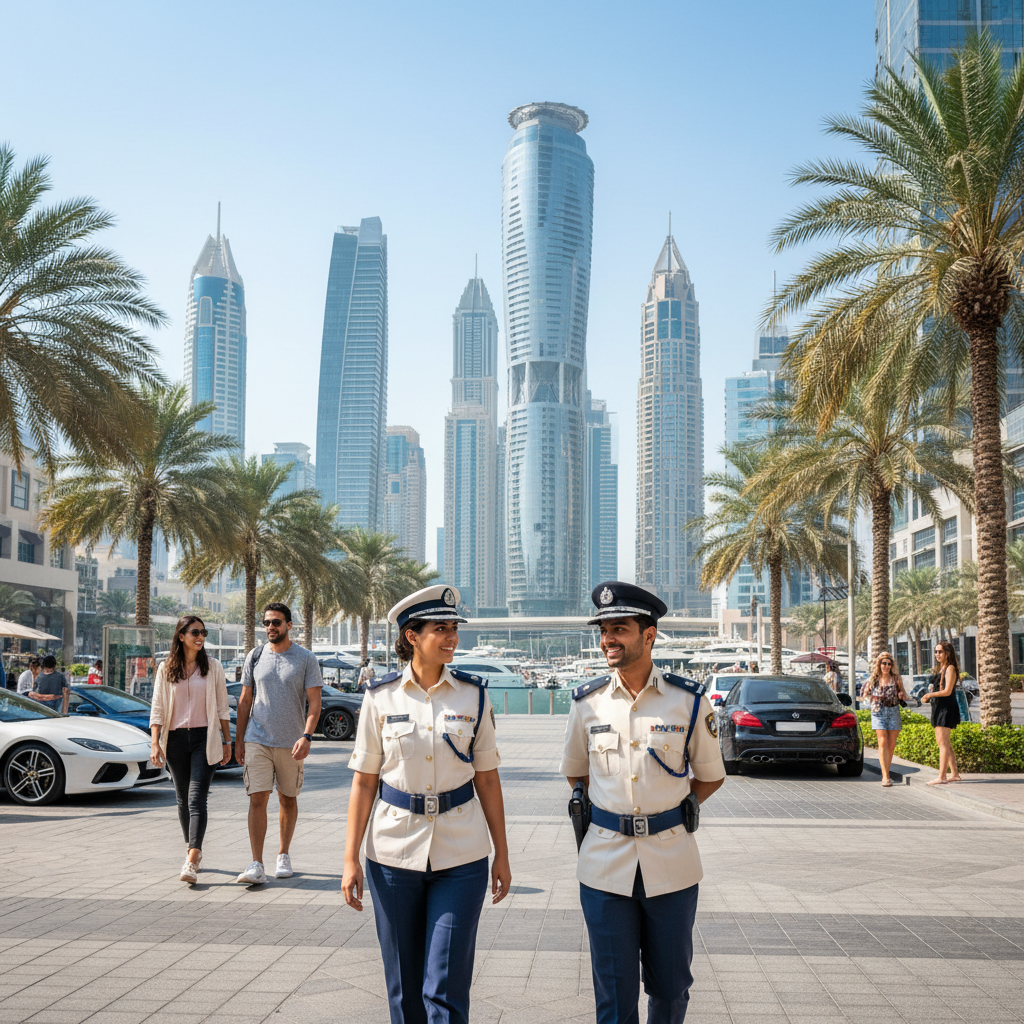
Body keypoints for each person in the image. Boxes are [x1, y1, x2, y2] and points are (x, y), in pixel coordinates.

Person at [342, 584, 511, 1024]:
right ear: (412, 636)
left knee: (447, 985)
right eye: (442, 629)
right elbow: (363, 782)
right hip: (393, 853)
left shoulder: (473, 695)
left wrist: (503, 855)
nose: (453, 637)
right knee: (404, 988)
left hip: (463, 853)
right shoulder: (380, 697)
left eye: (455, 628)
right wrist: (349, 860)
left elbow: (489, 780)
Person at [560, 582, 726, 1024]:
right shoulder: (586, 703)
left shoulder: (688, 701)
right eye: (604, 630)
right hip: (603, 866)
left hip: (671, 862)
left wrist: (673, 809)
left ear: (648, 635)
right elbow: (576, 772)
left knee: (671, 989)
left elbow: (710, 776)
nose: (608, 639)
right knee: (613, 997)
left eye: (620, 629)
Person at [234, 602, 323, 885]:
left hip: (291, 742)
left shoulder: (305, 658)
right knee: (257, 798)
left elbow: (315, 703)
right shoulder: (255, 655)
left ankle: (283, 854)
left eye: (276, 622)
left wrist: (307, 736)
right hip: (256, 739)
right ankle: (256, 863)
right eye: (267, 623)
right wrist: (239, 740)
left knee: (287, 799)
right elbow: (245, 700)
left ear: (289, 625)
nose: (271, 627)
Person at [149, 616, 232, 884]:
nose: (200, 637)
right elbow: (158, 706)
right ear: (181, 636)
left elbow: (222, 707)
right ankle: (191, 849)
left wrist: (227, 741)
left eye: (203, 632)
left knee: (197, 798)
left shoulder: (213, 667)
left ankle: (193, 857)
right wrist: (155, 741)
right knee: (182, 799)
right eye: (195, 632)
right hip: (173, 740)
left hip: (203, 738)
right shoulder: (166, 668)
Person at [861, 652, 909, 787]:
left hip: (893, 711)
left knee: (891, 745)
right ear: (879, 664)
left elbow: (904, 696)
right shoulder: (873, 679)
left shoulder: (896, 678)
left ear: (891, 665)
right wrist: (867, 697)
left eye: (889, 664)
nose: (886, 666)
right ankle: (885, 776)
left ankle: (886, 771)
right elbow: (864, 695)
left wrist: (901, 695)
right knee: (883, 741)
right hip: (878, 712)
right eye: (884, 663)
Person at [919, 640, 962, 785]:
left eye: (940, 651)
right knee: (944, 742)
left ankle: (942, 776)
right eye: (936, 651)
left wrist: (930, 695)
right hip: (938, 707)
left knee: (943, 743)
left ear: (947, 653)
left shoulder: (950, 668)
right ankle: (955, 774)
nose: (937, 654)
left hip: (946, 708)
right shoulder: (941, 668)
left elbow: (948, 691)